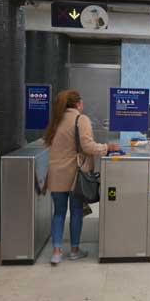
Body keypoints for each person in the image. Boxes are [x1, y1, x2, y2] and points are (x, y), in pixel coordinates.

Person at [44, 90, 119, 265]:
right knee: (76, 212)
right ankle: (74, 250)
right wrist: (107, 147)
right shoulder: (80, 119)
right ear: (78, 103)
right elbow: (87, 146)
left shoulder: (55, 120)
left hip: (56, 174)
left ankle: (56, 252)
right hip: (75, 175)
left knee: (59, 213)